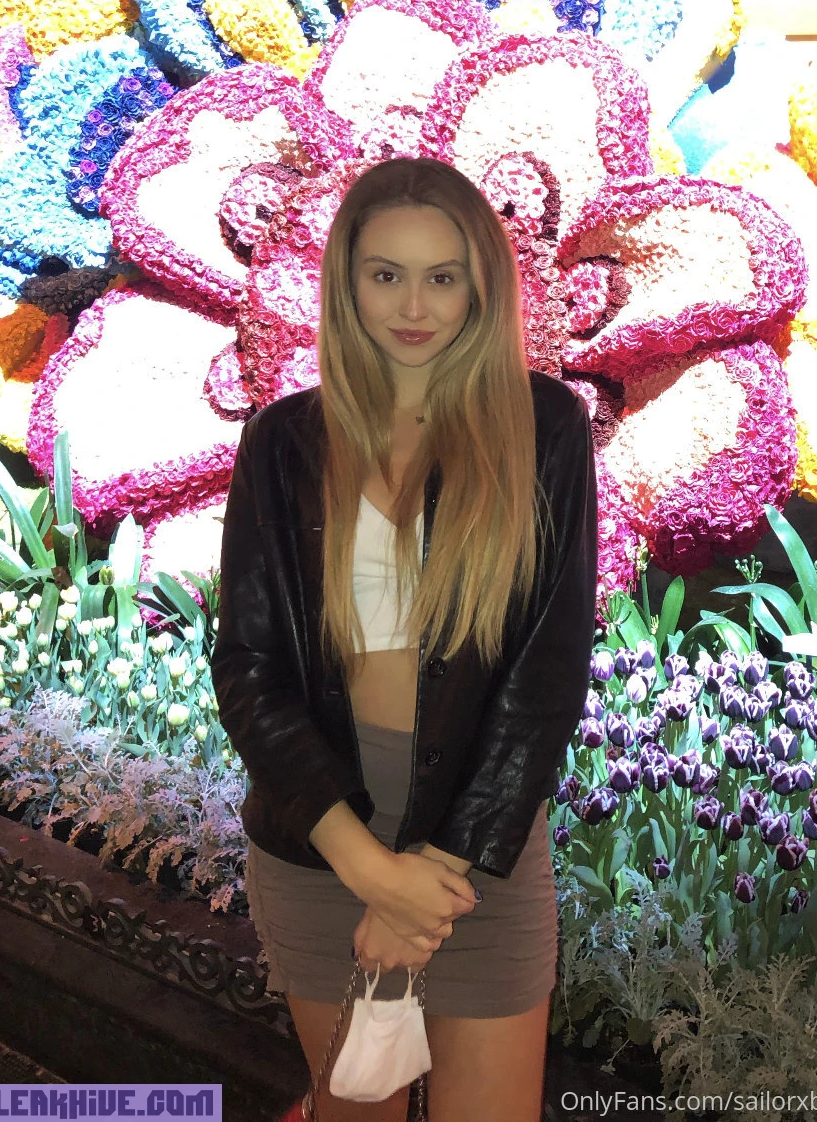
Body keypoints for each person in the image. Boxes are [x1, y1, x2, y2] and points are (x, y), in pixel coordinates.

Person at [211, 155, 598, 1122]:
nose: (414, 307)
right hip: (320, 843)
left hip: (478, 851)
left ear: (480, 286)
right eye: (386, 274)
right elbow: (250, 670)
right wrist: (370, 872)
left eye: (442, 276)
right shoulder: (283, 442)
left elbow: (546, 673)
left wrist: (430, 877)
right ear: (347, 280)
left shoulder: (542, 426)